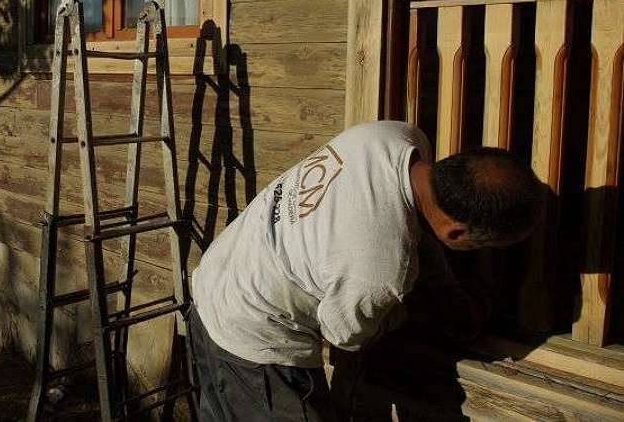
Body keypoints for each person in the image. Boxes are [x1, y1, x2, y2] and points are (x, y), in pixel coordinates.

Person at [187, 121, 544, 421]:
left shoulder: (395, 137)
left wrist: (445, 288)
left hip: (217, 275)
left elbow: (411, 225)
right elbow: (344, 335)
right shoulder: (380, 270)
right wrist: (399, 314)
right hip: (254, 338)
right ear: (456, 233)